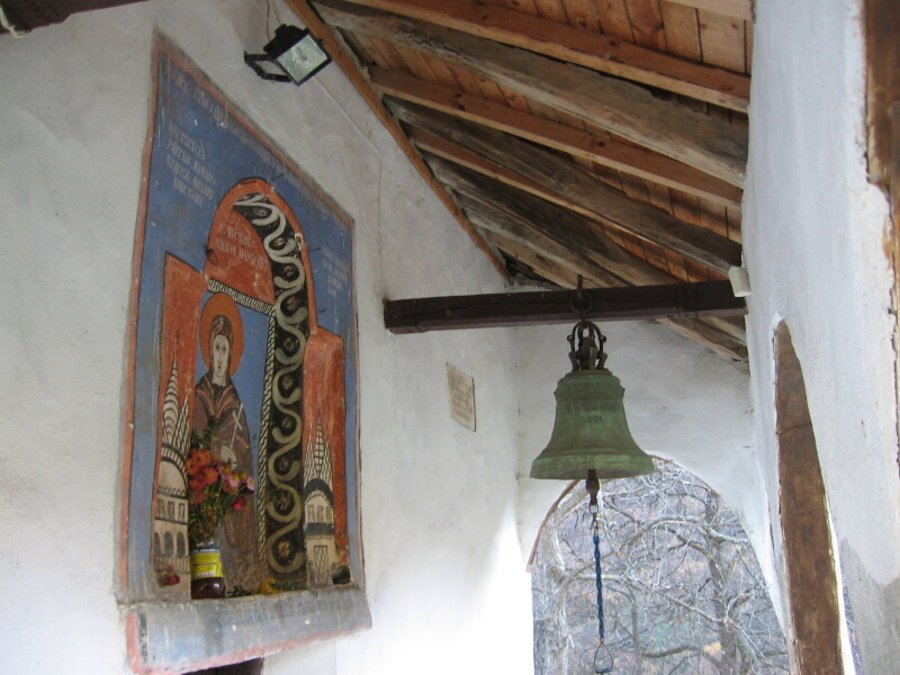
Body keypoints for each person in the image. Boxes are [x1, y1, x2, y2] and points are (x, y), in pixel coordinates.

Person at [193, 294, 259, 591]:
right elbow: (194, 437)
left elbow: (245, 450)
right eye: (216, 348)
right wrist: (216, 451)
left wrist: (236, 457)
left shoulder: (235, 401)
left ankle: (242, 574)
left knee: (241, 508)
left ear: (231, 353)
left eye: (225, 349)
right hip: (205, 486)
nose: (220, 356)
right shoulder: (200, 393)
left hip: (226, 487)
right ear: (209, 350)